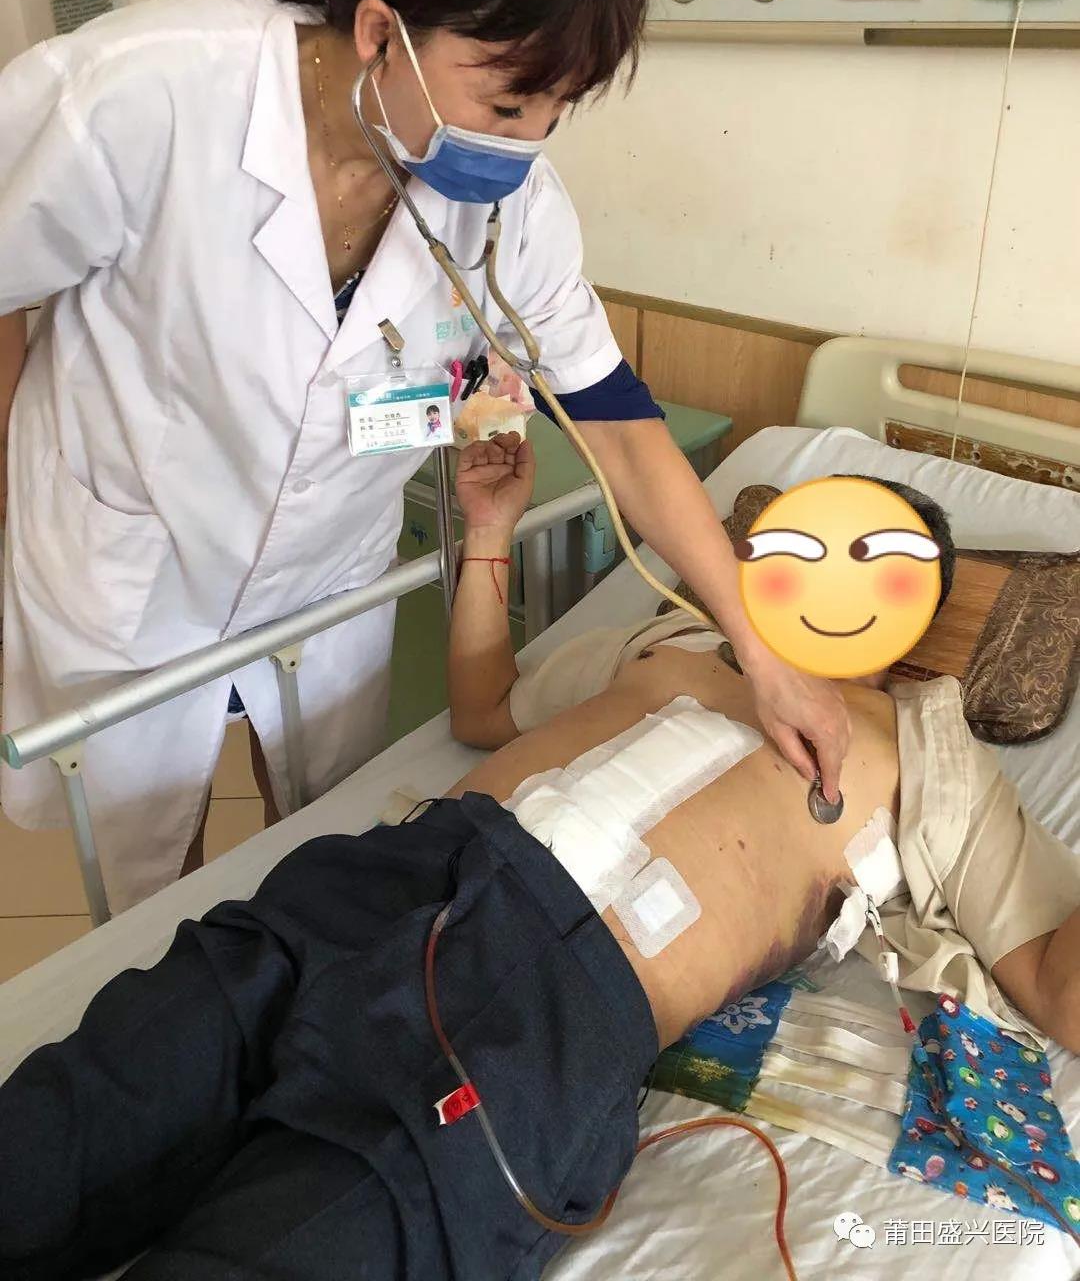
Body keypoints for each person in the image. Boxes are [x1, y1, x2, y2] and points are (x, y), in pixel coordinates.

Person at [0, 0, 847, 916]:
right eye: (508, 104)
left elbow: (618, 423)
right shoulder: (142, 96)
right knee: (145, 880)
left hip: (327, 572)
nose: (527, 147)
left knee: (317, 836)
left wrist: (760, 651)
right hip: (135, 562)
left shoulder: (507, 206)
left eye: (557, 110)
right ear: (377, 34)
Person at [0, 445, 1076, 1281]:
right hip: (376, 883)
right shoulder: (665, 646)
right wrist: (488, 531)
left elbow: (1055, 988)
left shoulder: (930, 752)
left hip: (542, 1005)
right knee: (55, 1133)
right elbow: (484, 708)